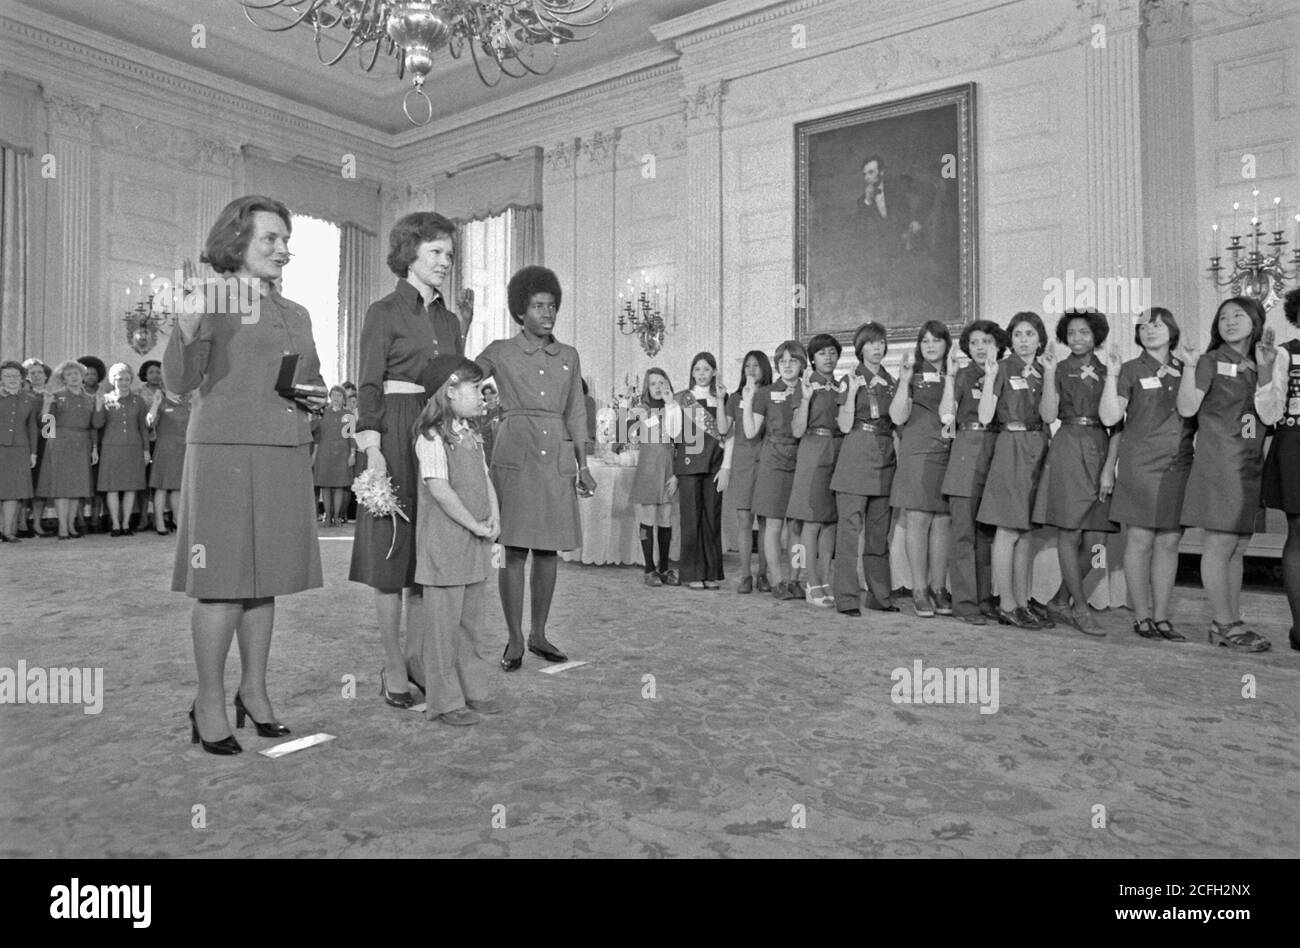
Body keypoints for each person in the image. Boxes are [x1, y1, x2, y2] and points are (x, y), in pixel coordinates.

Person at [165, 194, 326, 754]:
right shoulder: (208, 297)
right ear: (237, 242)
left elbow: (309, 382)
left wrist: (320, 406)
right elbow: (180, 383)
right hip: (224, 454)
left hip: (284, 451)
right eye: (271, 239)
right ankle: (208, 700)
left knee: (265, 582)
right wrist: (184, 330)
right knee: (222, 585)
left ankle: (253, 691)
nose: (284, 250)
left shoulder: (297, 312)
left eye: (286, 240)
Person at [350, 212, 473, 708]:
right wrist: (373, 448)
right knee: (390, 556)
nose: (446, 261)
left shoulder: (449, 318)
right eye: (435, 253)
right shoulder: (383, 311)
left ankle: (421, 658)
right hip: (395, 431)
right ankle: (394, 664)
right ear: (409, 255)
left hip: (436, 433)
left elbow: (456, 383)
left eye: (449, 253)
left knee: (430, 554)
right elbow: (368, 384)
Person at [476, 266, 592, 671]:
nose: (548, 313)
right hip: (516, 451)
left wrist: (584, 464)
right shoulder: (499, 351)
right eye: (539, 306)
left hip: (556, 454)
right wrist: (465, 325)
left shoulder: (569, 356)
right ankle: (513, 637)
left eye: (553, 306)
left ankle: (539, 633)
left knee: (548, 550)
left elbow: (576, 412)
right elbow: (463, 379)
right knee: (514, 549)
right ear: (520, 311)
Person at [411, 355, 502, 726]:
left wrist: (494, 515)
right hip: (445, 545)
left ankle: (474, 689)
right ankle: (446, 701)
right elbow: (440, 490)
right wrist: (475, 525)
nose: (483, 396)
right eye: (475, 388)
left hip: (473, 544)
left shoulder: (472, 434)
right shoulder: (431, 436)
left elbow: (485, 479)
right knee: (443, 630)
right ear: (450, 391)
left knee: (472, 624)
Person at [1177, 296, 1270, 652]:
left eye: (1239, 315)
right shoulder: (1210, 360)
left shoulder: (1259, 363)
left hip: (1249, 463)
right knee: (1219, 544)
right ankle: (1223, 622)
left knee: (1239, 546)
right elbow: (1187, 407)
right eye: (1223, 317)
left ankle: (1232, 618)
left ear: (1255, 322)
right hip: (1220, 462)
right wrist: (1188, 368)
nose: (1230, 322)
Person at [1099, 307, 1194, 641]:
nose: (1151, 330)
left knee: (1169, 542)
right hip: (1140, 465)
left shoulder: (1188, 368)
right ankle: (1141, 617)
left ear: (1171, 330)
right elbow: (1111, 419)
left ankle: (1162, 616)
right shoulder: (1129, 369)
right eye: (1144, 326)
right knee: (1139, 541)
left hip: (1179, 465)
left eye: (1158, 324)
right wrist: (1111, 376)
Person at [1033, 309, 1120, 635]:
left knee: (1097, 540)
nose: (1078, 338)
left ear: (1096, 335)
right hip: (1068, 446)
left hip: (1099, 447)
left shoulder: (1109, 368)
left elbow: (1118, 426)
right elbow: (1048, 414)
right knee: (1070, 533)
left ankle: (1058, 600)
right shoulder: (1058, 368)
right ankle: (1080, 609)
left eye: (1084, 332)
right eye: (1072, 333)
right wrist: (1049, 374)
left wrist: (1109, 468)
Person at [976, 311, 1054, 629]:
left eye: (1030, 334)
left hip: (1039, 445)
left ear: (1040, 338)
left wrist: (1049, 374)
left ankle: (1023, 603)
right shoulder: (1002, 368)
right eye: (1018, 334)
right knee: (1007, 530)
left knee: (1026, 532)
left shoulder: (1045, 369)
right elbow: (984, 416)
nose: (1024, 340)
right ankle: (1007, 604)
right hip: (1011, 446)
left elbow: (1049, 415)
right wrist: (992, 377)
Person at [939, 320, 1007, 625]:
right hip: (966, 451)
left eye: (988, 342)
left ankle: (984, 598)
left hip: (997, 451)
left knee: (986, 535)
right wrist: (950, 380)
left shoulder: (1005, 373)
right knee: (964, 533)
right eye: (975, 342)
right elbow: (946, 415)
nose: (981, 348)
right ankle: (965, 603)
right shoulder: (960, 375)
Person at [830, 322, 898, 616]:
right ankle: (846, 598)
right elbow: (844, 425)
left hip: (884, 457)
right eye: (870, 343)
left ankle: (880, 596)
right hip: (856, 453)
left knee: (878, 533)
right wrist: (853, 393)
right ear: (860, 348)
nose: (877, 348)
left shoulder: (892, 381)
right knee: (848, 532)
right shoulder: (850, 379)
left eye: (881, 342)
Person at [890, 321, 954, 617]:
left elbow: (951, 416)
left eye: (936, 340)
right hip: (917, 452)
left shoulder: (957, 373)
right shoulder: (911, 375)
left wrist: (951, 378)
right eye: (925, 340)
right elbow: (897, 417)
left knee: (942, 521)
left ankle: (938, 588)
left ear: (946, 344)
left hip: (948, 451)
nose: (930, 345)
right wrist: (903, 382)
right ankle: (918, 588)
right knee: (918, 519)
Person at [1255, 287, 1300, 652]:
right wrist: (1266, 370)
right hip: (1295, 444)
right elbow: (1270, 414)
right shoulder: (1286, 353)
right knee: (1298, 535)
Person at [747, 340, 807, 601]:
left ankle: (795, 579)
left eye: (792, 361)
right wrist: (748, 400)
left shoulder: (809, 391)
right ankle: (777, 579)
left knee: (797, 526)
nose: (787, 366)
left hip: (801, 460)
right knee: (772, 525)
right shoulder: (766, 393)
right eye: (782, 361)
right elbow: (750, 431)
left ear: (801, 364)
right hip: (772, 461)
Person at [788, 334, 845, 607]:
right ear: (813, 358)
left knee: (831, 520)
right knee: (811, 520)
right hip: (813, 449)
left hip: (839, 450)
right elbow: (797, 430)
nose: (828, 357)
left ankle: (825, 579)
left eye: (832, 352)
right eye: (822, 353)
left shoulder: (842, 385)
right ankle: (811, 582)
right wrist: (808, 400)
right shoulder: (805, 385)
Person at [666, 352, 727, 590]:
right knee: (691, 520)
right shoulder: (682, 398)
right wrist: (671, 405)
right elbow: (672, 433)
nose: (702, 373)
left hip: (714, 463)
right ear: (692, 372)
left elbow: (726, 433)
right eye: (698, 369)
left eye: (707, 369)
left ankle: (711, 572)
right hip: (689, 464)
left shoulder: (722, 396)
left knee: (712, 518)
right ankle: (692, 573)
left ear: (714, 372)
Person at [725, 350, 772, 593]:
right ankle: (745, 575)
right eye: (747, 366)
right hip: (742, 462)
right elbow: (725, 431)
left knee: (765, 521)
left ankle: (763, 573)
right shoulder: (734, 398)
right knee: (744, 520)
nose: (751, 370)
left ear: (765, 368)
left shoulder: (772, 394)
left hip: (765, 460)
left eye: (756, 365)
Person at [628, 368, 679, 587]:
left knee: (666, 519)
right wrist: (631, 418)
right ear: (646, 389)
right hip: (648, 470)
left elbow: (679, 438)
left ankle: (665, 567)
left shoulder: (675, 407)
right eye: (652, 384)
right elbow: (624, 438)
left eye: (661, 382)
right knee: (647, 519)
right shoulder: (641, 409)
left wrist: (677, 474)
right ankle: (649, 569)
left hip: (669, 470)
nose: (658, 387)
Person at [36, 360, 97, 540]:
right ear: (63, 378)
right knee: (62, 488)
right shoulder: (55, 395)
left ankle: (71, 525)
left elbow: (94, 425)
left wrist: (93, 448)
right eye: (69, 374)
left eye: (76, 373)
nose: (73, 377)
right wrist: (47, 405)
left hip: (81, 444)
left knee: (76, 487)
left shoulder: (89, 398)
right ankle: (62, 527)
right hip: (60, 444)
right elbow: (47, 428)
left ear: (82, 376)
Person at [95, 363, 150, 537]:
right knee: (112, 487)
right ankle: (115, 524)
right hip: (111, 448)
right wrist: (98, 405)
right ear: (112, 380)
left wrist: (146, 450)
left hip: (133, 448)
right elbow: (97, 424)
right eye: (120, 379)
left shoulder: (138, 401)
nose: (124, 382)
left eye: (127, 379)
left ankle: (126, 523)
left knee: (130, 487)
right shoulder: (105, 398)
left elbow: (143, 427)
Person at [0, 361, 40, 543]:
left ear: (22, 378)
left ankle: (8, 532)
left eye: (15, 376)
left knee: (13, 493)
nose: (11, 380)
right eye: (7, 376)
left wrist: (33, 453)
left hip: (20, 449)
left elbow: (33, 427)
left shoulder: (30, 399)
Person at [147, 387, 189, 535]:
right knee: (161, 486)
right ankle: (159, 522)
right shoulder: (162, 402)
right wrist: (155, 404)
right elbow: (150, 423)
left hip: (183, 447)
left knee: (177, 487)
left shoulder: (187, 402)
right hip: (165, 447)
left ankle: (177, 521)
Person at [312, 385, 353, 527]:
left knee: (340, 486)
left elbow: (351, 436)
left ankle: (337, 517)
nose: (336, 398)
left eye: (339, 396)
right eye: (333, 395)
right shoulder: (323, 412)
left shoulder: (349, 415)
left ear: (344, 399)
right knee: (325, 486)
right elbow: (315, 433)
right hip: (324, 452)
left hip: (342, 453)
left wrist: (352, 453)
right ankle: (328, 517)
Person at [20, 358, 51, 537]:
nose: (37, 376)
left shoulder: (51, 396)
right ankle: (22, 523)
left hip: (44, 444)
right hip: (24, 444)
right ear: (26, 377)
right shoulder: (23, 396)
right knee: (24, 485)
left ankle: (37, 523)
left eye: (40, 372)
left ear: (46, 376)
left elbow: (50, 428)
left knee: (41, 485)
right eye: (32, 373)